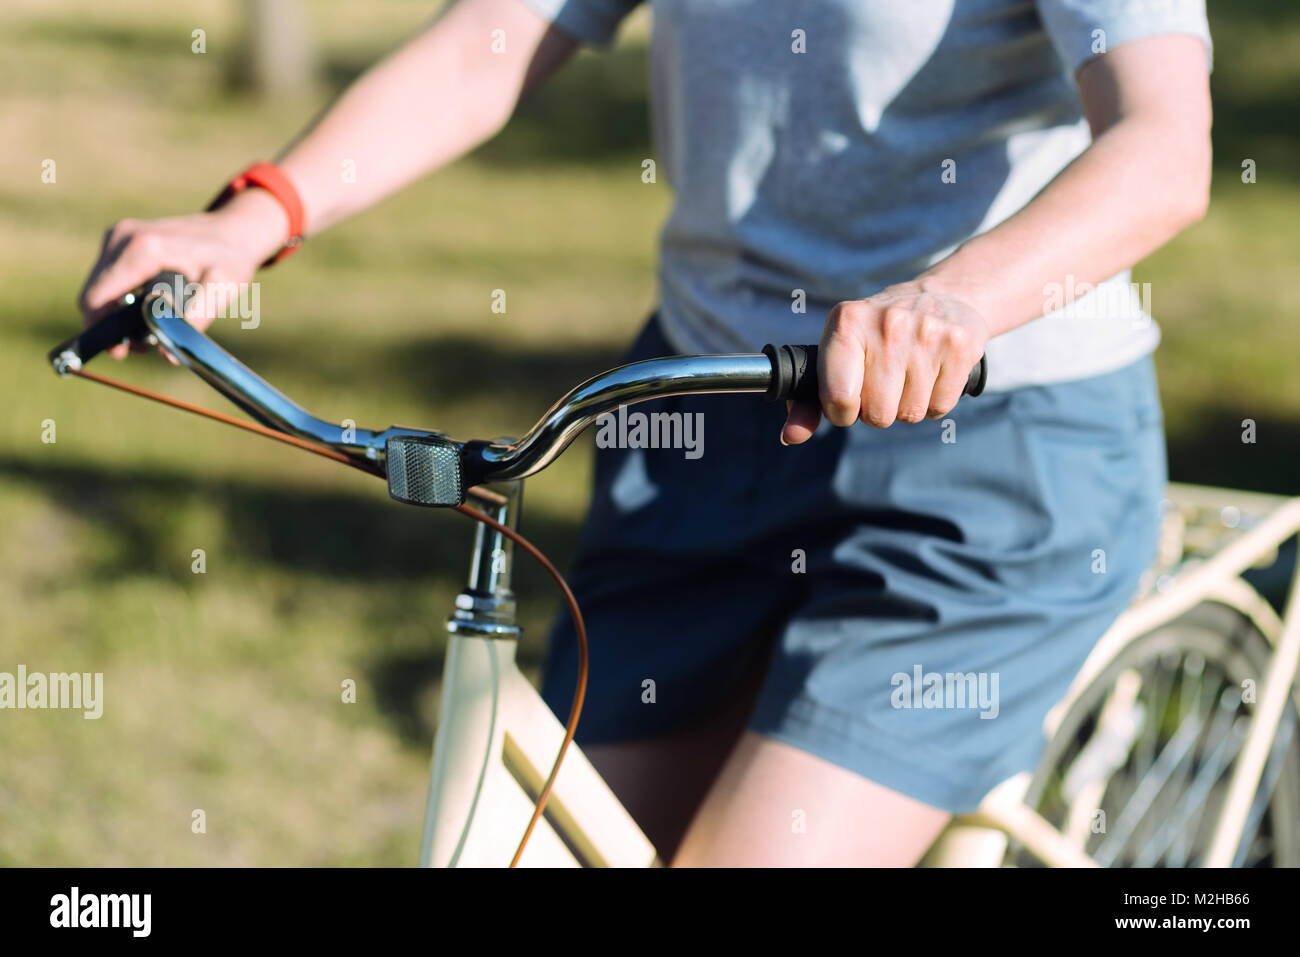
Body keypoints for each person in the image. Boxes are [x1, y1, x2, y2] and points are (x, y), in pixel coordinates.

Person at [78, 0, 1213, 866]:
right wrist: (253, 218)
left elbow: (1165, 143)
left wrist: (960, 298)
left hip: (983, 452)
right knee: (554, 846)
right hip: (704, 419)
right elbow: (495, 36)